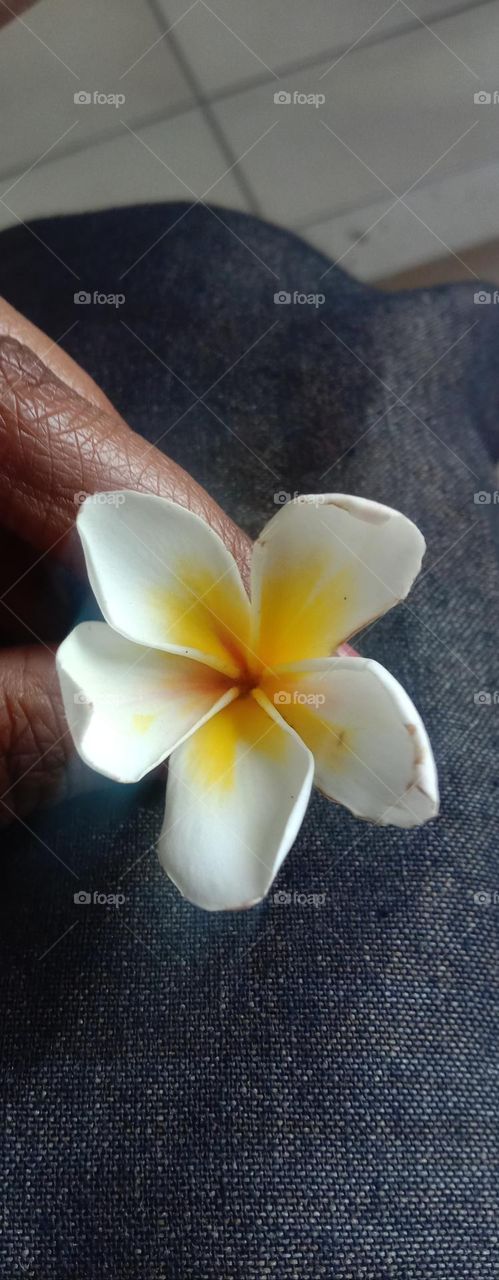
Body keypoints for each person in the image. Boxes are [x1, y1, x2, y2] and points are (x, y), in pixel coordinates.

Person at [0, 199, 498, 1279]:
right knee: (253, 285)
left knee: (233, 272)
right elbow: (109, 531)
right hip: (194, 674)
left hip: (232, 688)